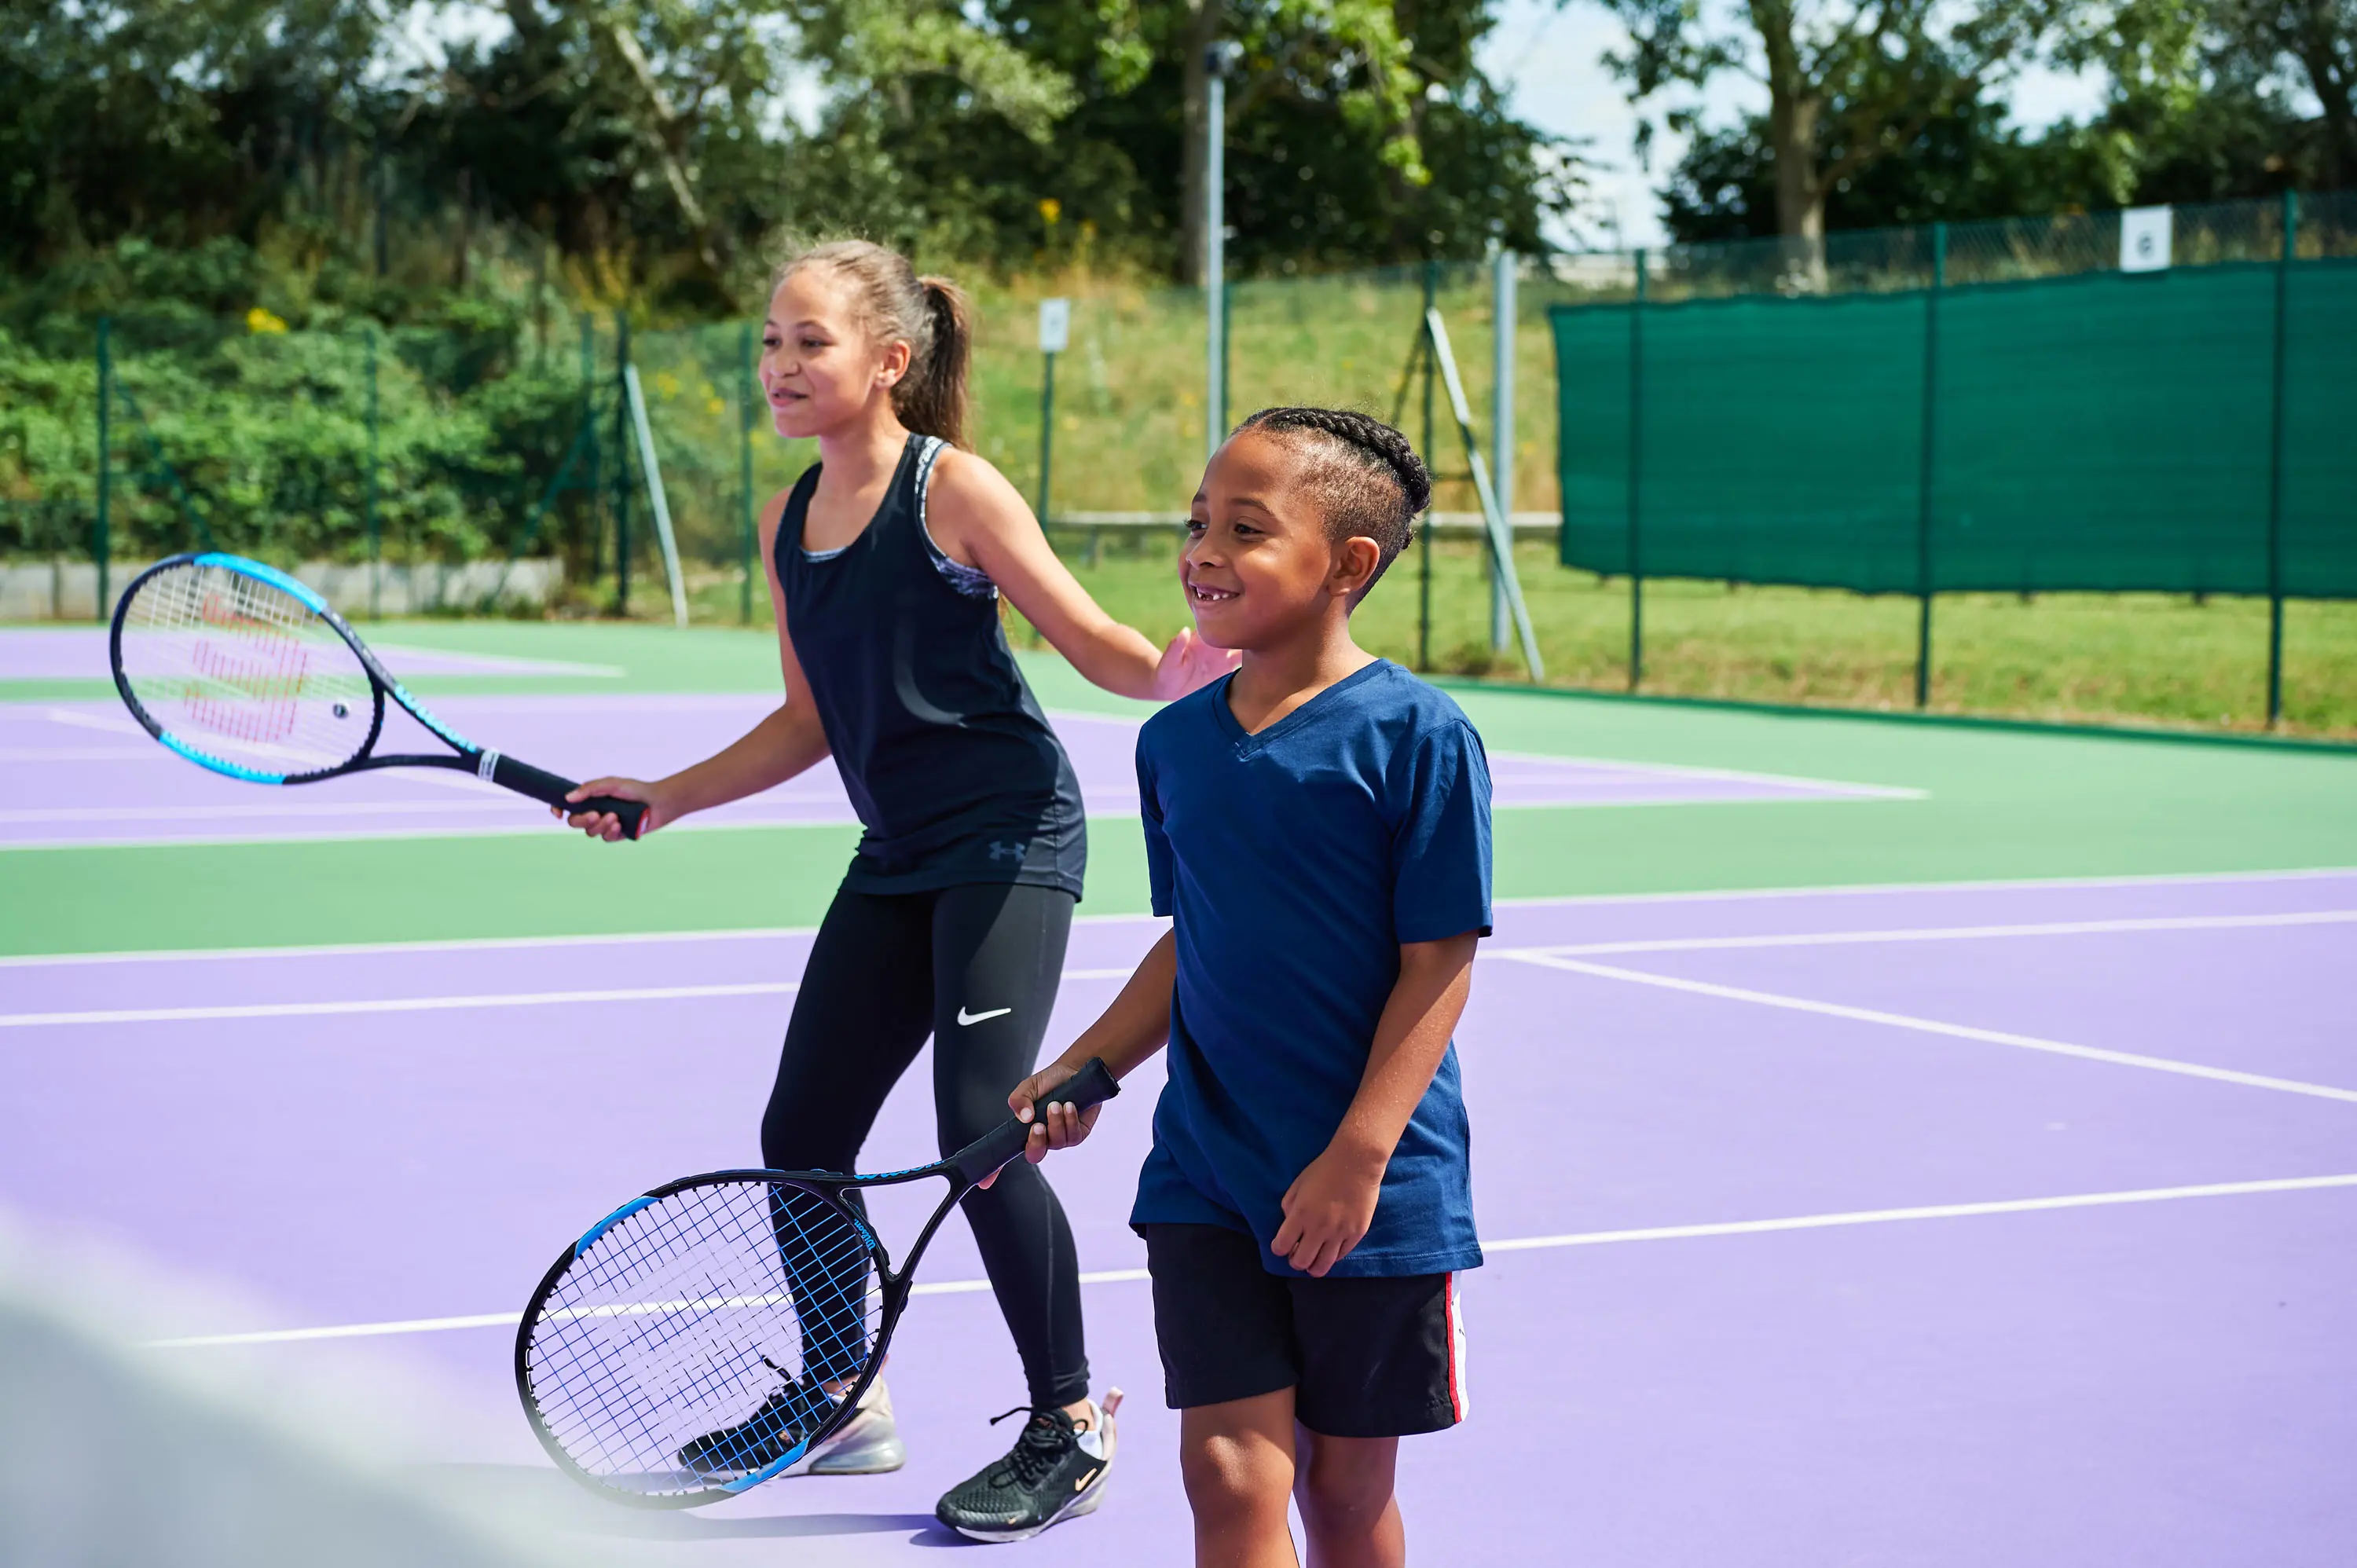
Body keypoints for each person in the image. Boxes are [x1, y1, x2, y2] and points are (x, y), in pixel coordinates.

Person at [558, 239, 1237, 1541]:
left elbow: (1092, 642)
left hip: (1010, 836)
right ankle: (839, 1398)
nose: (779, 364)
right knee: (803, 1130)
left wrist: (1174, 670)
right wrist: (667, 793)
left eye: (808, 341)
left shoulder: (952, 490)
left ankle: (1071, 1422)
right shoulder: (786, 522)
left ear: (888, 360)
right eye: (770, 341)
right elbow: (808, 719)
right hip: (899, 851)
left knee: (984, 1128)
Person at [1009, 406, 1491, 1568]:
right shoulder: (1172, 744)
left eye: (1246, 529)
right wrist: (1086, 1064)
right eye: (1198, 523)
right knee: (1228, 1474)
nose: (1205, 552)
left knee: (1343, 1491)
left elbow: (1439, 962)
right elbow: (1196, 940)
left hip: (1371, 1189)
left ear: (1348, 565)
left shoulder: (1420, 736)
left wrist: (1357, 1160)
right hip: (1206, 1175)